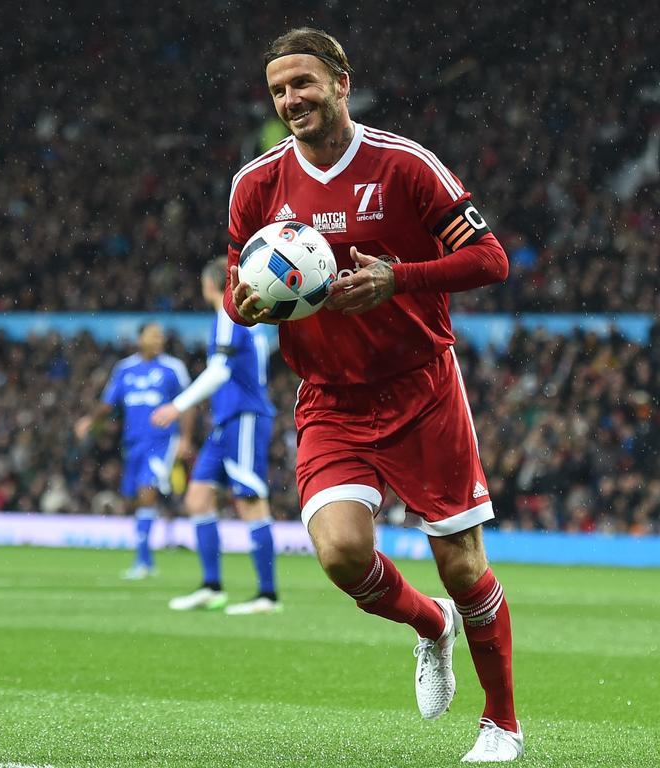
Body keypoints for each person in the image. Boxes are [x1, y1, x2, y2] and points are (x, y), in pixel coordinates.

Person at [225, 28, 519, 762]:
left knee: (462, 564)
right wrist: (248, 303)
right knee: (341, 554)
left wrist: (399, 278)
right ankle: (430, 626)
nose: (292, 99)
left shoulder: (404, 164)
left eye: (303, 83)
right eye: (279, 90)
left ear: (341, 82)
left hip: (421, 388)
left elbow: (491, 259)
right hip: (329, 397)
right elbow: (237, 291)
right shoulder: (256, 184)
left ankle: (502, 724)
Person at [152, 258, 280, 615]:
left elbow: (221, 370)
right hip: (227, 420)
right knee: (197, 497)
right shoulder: (248, 321)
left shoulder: (229, 315)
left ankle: (267, 595)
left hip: (244, 417)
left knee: (250, 500)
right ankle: (211, 587)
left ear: (209, 285)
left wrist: (177, 406)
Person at [75, 323, 191, 579]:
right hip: (133, 442)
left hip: (162, 441)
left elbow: (187, 403)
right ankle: (148, 555)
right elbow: (108, 404)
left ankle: (144, 561)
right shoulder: (124, 369)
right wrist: (89, 420)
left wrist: (185, 437)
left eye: (161, 335)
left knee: (147, 491)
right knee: (137, 498)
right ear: (140, 339)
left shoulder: (173, 368)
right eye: (153, 335)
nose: (159, 339)